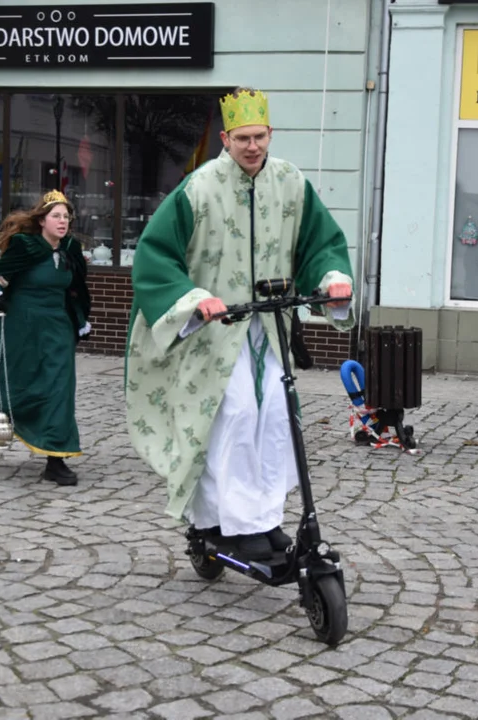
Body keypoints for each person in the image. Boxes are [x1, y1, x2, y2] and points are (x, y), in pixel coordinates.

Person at [124, 88, 355, 560]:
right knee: (232, 416)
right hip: (213, 331)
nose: (253, 147)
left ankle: (263, 518)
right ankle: (224, 522)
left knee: (274, 415)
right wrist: (193, 298)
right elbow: (155, 255)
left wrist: (332, 278)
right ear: (225, 138)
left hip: (268, 327)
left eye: (260, 137)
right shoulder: (199, 188)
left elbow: (318, 243)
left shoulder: (291, 182)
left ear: (272, 135)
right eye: (243, 138)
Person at [0, 190, 92, 486]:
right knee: (2, 373)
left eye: (66, 217)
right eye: (56, 216)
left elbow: (76, 289)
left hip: (57, 328)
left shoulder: (70, 250)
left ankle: (55, 459)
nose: (62, 221)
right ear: (42, 221)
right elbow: (0, 276)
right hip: (20, 323)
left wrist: (80, 317)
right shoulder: (25, 246)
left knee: (59, 388)